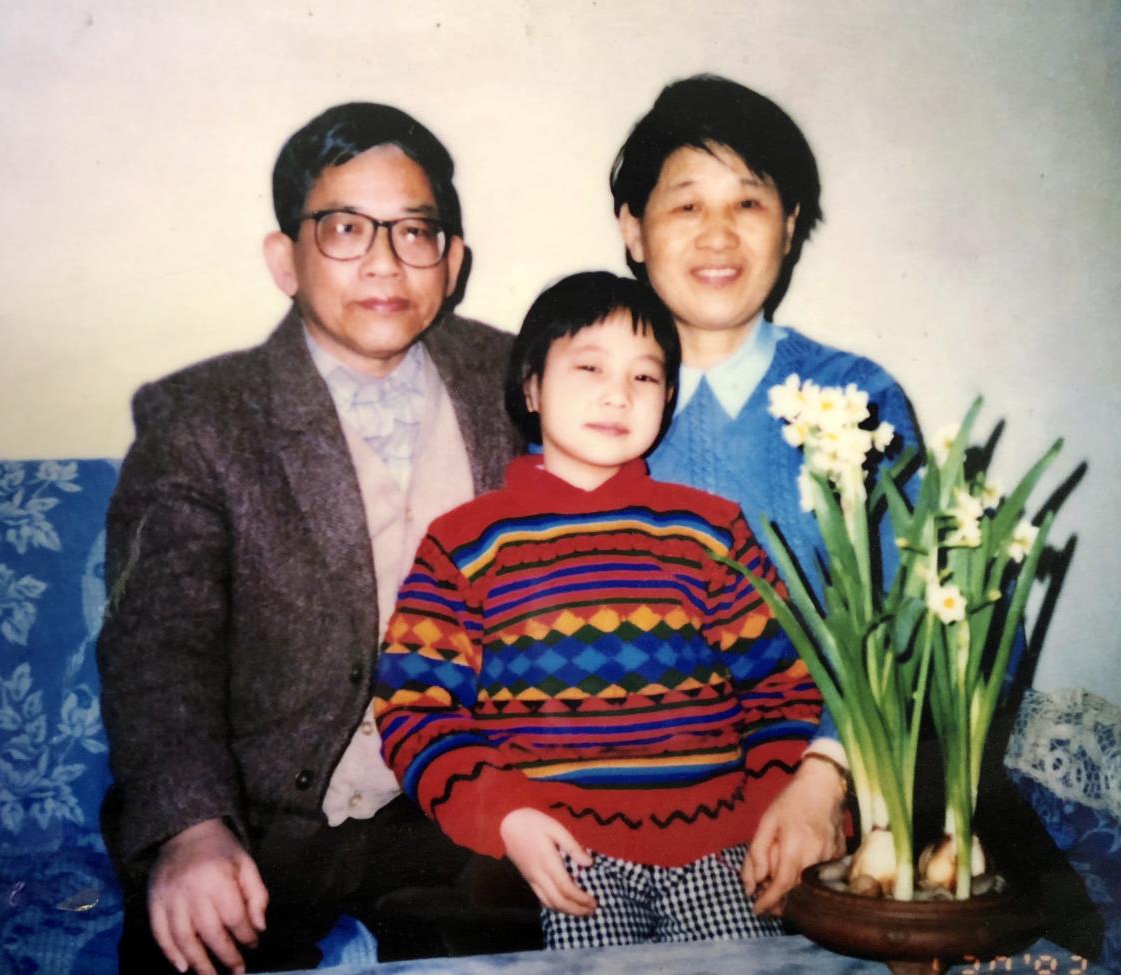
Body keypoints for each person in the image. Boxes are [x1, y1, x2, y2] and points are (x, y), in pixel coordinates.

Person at [96, 102, 524, 975]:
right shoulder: (201, 418)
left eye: (414, 231)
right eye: (344, 228)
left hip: (462, 806)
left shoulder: (521, 380)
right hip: (261, 818)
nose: (384, 261)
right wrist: (191, 826)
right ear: (284, 259)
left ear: (452, 262)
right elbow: (159, 648)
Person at [374, 272, 831, 948]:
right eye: (589, 367)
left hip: (722, 846)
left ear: (667, 398)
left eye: (645, 376)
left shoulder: (712, 529)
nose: (619, 393)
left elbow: (782, 688)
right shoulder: (464, 542)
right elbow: (414, 706)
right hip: (560, 853)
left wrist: (770, 808)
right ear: (531, 387)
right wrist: (503, 817)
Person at [611, 74, 922, 915]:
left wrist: (827, 774)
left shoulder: (856, 399)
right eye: (686, 205)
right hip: (631, 823)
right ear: (633, 229)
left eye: (748, 203)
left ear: (788, 224)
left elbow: (918, 610)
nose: (718, 234)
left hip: (834, 805)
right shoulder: (586, 405)